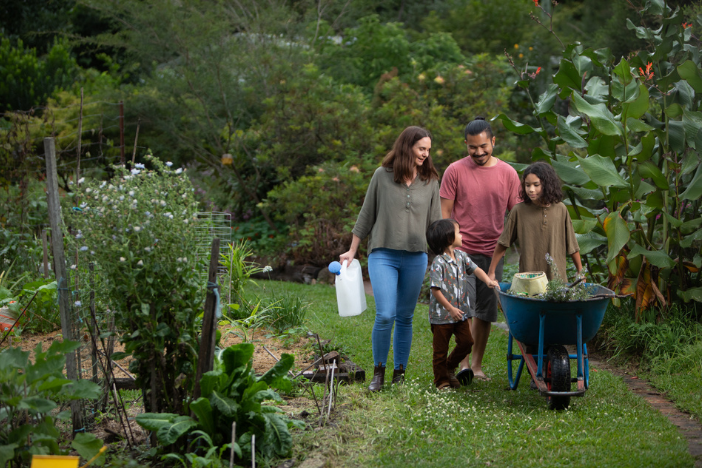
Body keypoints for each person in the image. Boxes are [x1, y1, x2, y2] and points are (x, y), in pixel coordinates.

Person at [340, 126, 442, 392]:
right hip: (382, 254)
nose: (425, 154)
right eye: (422, 148)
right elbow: (366, 214)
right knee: (385, 314)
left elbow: (435, 224)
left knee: (406, 317)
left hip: (416, 257)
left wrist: (444, 255)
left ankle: (400, 372)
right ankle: (378, 372)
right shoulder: (382, 176)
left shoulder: (430, 180)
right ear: (407, 146)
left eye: (428, 150)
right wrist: (352, 250)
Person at [440, 117, 521, 381]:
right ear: (466, 144)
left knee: (485, 313)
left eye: (484, 146)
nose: (478, 152)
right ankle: (462, 364)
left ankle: (476, 365)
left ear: (493, 142)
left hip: (492, 254)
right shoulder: (454, 171)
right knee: (462, 310)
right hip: (460, 254)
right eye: (472, 147)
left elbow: (516, 214)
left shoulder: (508, 173)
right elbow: (445, 216)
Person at [426, 218, 499, 390]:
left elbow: (476, 269)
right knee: (440, 351)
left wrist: (488, 280)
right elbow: (435, 290)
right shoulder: (439, 263)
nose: (462, 234)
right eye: (458, 232)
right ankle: (442, 381)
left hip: (461, 314)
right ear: (448, 238)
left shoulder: (461, 256)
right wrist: (450, 309)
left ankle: (449, 367)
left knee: (467, 342)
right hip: (442, 316)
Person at [487, 161, 583, 282]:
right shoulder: (518, 211)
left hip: (557, 282)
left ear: (547, 185)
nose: (531, 189)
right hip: (528, 281)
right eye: (527, 185)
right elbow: (503, 243)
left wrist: (580, 271)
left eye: (536, 185)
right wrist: (491, 272)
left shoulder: (561, 209)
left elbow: (572, 245)